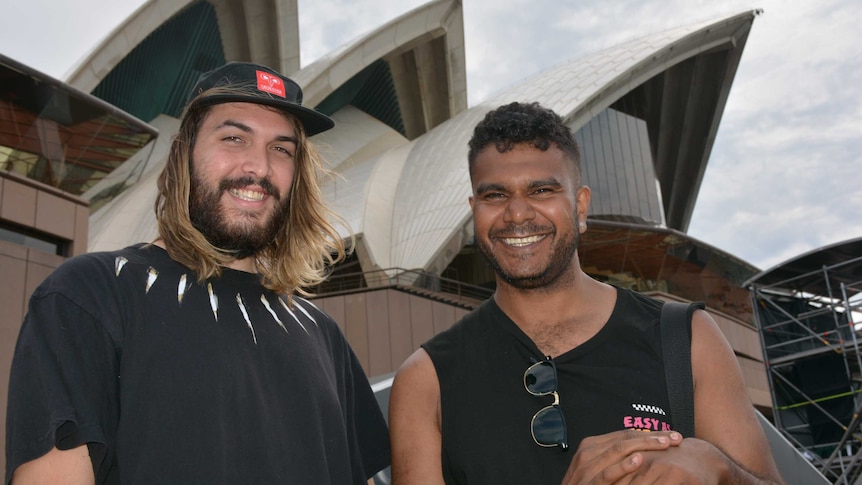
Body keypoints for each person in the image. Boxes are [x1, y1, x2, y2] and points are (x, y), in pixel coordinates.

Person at [5, 62, 390, 484]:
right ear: (182, 154)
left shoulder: (323, 334)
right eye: (233, 138)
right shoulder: (90, 296)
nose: (259, 167)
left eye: (282, 149)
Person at [389, 101, 785, 484]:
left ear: (580, 207)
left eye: (542, 190)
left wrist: (716, 467)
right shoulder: (426, 382)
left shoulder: (686, 337)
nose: (517, 214)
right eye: (495, 195)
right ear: (474, 209)